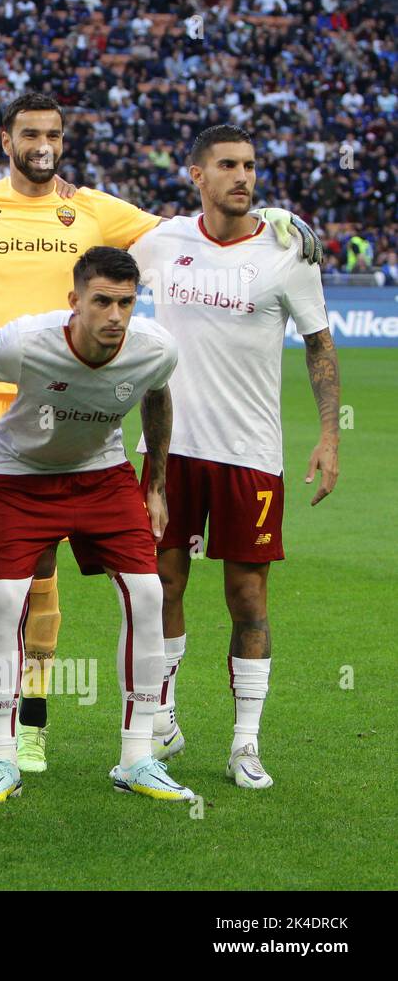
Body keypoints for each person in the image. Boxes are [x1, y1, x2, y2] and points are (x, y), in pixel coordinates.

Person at [0, 92, 325, 778]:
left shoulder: (99, 209)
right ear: (6, 138)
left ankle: (32, 724)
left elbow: (194, 230)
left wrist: (273, 218)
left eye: (54, 133)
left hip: (65, 403)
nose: (43, 144)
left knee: (39, 573)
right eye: (30, 133)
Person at [0, 246, 195, 805]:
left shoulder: (155, 348)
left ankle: (137, 758)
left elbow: (158, 398)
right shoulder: (28, 340)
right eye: (101, 302)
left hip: (102, 476)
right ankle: (1, 760)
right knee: (5, 602)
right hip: (20, 477)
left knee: (148, 593)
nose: (114, 316)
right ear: (75, 302)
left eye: (125, 302)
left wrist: (157, 483)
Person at [129, 124, 340, 788]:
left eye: (249, 165)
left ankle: (245, 744)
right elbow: (93, 273)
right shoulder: (162, 241)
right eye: (227, 165)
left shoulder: (287, 252)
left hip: (250, 453)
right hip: (169, 445)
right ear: (198, 174)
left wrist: (331, 436)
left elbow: (319, 345)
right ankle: (162, 717)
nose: (242, 176)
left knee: (248, 598)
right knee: (158, 585)